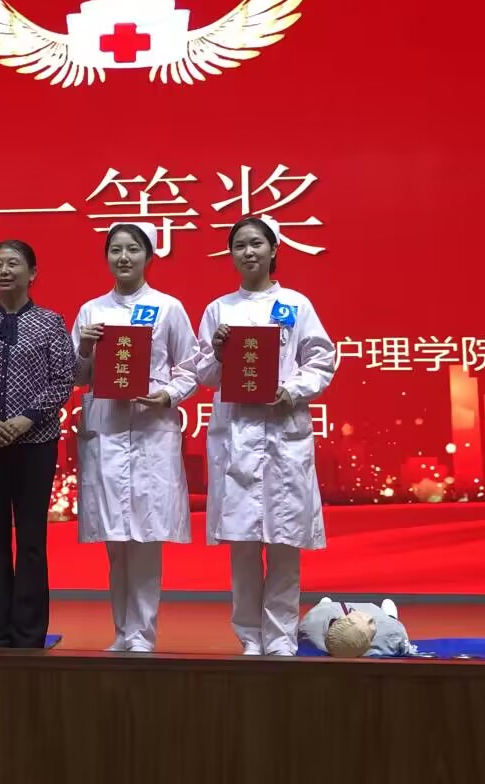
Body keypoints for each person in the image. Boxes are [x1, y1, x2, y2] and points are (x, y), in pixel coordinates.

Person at [195, 216, 336, 656]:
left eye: (256, 243)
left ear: (274, 249)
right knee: (242, 547)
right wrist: (218, 353)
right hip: (237, 435)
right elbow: (203, 374)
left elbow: (322, 359)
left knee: (285, 543)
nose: (248, 252)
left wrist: (291, 389)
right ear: (231, 254)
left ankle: (280, 637)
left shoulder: (296, 304)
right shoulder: (219, 309)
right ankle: (250, 637)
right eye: (239, 245)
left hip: (282, 432)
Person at [71, 222, 198, 652]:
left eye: (133, 250)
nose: (123, 257)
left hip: (150, 430)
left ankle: (142, 633)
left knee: (145, 537)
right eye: (115, 250)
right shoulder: (91, 311)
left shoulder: (168, 308)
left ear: (149, 256)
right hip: (106, 430)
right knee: (115, 541)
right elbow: (76, 377)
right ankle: (122, 633)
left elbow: (191, 368)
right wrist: (83, 348)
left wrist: (168, 395)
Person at [0, 239, 76, 648]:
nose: (4, 271)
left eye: (13, 264)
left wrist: (25, 419)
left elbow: (62, 380)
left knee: (32, 541)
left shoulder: (51, 322)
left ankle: (29, 631)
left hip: (35, 441)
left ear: (32, 273)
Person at [299, 597, 418, 657]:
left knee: (324, 605)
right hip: (384, 621)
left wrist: (323, 607)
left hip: (324, 611)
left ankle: (326, 604)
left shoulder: (308, 625)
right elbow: (407, 650)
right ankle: (390, 616)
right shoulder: (391, 632)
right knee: (389, 618)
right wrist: (391, 620)